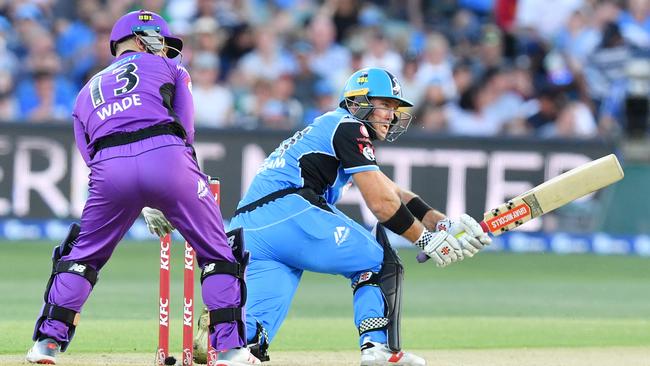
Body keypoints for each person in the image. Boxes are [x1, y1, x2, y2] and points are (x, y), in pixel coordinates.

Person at [197, 67, 492, 365]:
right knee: (379, 262)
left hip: (247, 230)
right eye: (385, 105)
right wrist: (426, 239)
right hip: (290, 211)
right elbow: (380, 204)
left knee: (250, 343)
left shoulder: (332, 127)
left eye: (394, 108)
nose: (391, 114)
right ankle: (378, 349)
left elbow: (394, 193)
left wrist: (442, 222)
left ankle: (231, 351)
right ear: (357, 102)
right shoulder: (349, 126)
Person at [26, 10, 260, 365]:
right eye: (162, 42)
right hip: (167, 156)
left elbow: (89, 154)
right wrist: (167, 191)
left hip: (109, 170)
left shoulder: (85, 91)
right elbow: (186, 130)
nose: (166, 50)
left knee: (81, 258)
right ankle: (229, 350)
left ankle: (47, 343)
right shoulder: (173, 70)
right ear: (141, 38)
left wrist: (137, 193)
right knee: (218, 253)